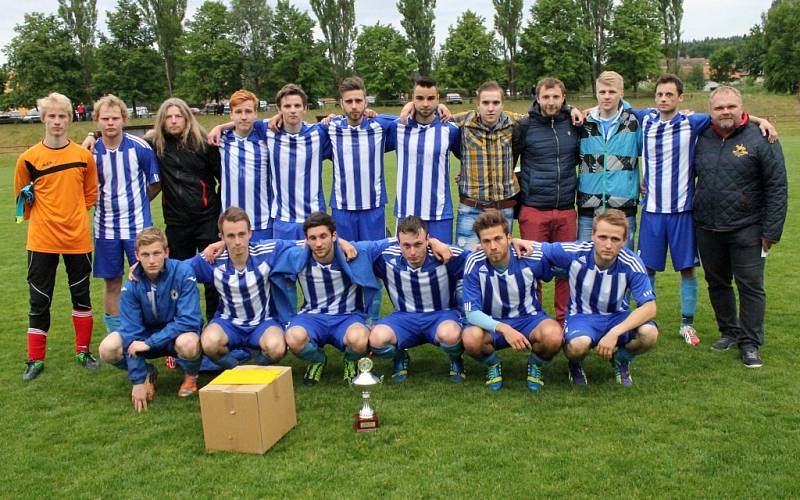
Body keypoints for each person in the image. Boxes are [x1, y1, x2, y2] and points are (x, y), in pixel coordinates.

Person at [632, 75, 777, 347]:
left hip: (683, 212)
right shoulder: (646, 119)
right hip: (651, 211)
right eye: (659, 94)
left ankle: (687, 324)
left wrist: (760, 120)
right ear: (655, 97)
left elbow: (729, 114)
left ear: (680, 98)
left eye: (669, 95)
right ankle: (645, 319)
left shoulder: (692, 122)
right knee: (646, 269)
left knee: (687, 269)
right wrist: (584, 110)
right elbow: (614, 103)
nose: (664, 99)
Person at [693, 86, 787, 368]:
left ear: (741, 107)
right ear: (711, 110)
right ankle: (729, 332)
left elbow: (777, 186)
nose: (725, 112)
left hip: (748, 227)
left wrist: (771, 231)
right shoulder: (701, 135)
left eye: (731, 107)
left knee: (751, 287)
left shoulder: (761, 137)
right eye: (719, 108)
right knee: (717, 283)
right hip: (707, 226)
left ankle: (750, 343)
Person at [14, 92, 99, 381]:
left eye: (62, 116)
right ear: (43, 119)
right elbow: (21, 201)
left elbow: (90, 193)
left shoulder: (83, 156)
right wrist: (36, 209)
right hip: (41, 240)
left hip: (78, 239)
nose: (57, 121)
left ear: (69, 119)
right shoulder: (28, 159)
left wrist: (74, 214)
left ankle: (84, 351)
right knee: (39, 301)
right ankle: (35, 359)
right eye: (52, 116)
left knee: (82, 296)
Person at [541, 209, 659, 386]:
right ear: (593, 235)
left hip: (617, 317)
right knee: (577, 346)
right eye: (603, 237)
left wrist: (615, 333)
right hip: (581, 316)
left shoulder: (632, 263)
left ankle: (621, 359)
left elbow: (650, 308)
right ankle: (575, 364)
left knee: (649, 334)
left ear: (624, 241)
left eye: (615, 239)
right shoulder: (576, 252)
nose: (608, 245)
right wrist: (517, 241)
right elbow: (539, 248)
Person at [97, 227, 203, 412]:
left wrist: (150, 343)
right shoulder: (131, 285)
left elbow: (189, 320)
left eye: (156, 253)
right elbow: (131, 332)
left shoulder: (183, 272)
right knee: (107, 349)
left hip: (175, 333)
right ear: (137, 255)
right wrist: (137, 381)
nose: (152, 260)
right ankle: (147, 373)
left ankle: (191, 374)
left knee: (189, 344)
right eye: (145, 255)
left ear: (166, 252)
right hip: (144, 335)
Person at [209, 84, 331, 241]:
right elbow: (244, 122)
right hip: (280, 220)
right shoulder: (229, 138)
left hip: (309, 217)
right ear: (279, 109)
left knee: (316, 263)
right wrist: (219, 127)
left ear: (305, 108)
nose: (292, 110)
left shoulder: (318, 133)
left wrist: (335, 116)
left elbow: (342, 124)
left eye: (297, 105)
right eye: (287, 106)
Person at [461, 210, 563, 392]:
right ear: (480, 243)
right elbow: (472, 313)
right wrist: (505, 329)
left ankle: (536, 364)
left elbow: (562, 267)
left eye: (498, 239)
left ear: (509, 238)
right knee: (470, 339)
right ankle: (493, 365)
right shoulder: (474, 263)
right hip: (493, 324)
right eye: (486, 241)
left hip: (529, 319)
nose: (493, 246)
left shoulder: (529, 256)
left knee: (554, 336)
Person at [190, 207, 298, 369]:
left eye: (241, 234)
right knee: (209, 344)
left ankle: (256, 369)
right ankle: (235, 368)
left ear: (250, 233)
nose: (237, 241)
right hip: (228, 322)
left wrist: (342, 243)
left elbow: (309, 243)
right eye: (230, 236)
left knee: (276, 349)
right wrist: (140, 268)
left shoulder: (267, 251)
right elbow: (177, 270)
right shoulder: (213, 258)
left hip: (264, 322)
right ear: (222, 237)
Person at [278, 212, 379, 385]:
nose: (318, 243)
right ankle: (317, 360)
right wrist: (221, 243)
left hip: (347, 317)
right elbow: (261, 245)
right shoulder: (298, 255)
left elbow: (391, 243)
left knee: (360, 339)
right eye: (313, 238)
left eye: (323, 236)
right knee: (293, 338)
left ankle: (350, 359)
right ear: (306, 240)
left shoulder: (354, 252)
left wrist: (432, 242)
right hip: (312, 316)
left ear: (334, 235)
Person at [90, 94, 160, 335]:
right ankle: (117, 335)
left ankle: (156, 333)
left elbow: (155, 183)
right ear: (97, 120)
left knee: (149, 280)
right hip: (105, 229)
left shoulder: (140, 148)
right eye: (105, 118)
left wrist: (137, 204)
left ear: (124, 119)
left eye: (115, 118)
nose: (110, 123)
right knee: (112, 283)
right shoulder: (90, 152)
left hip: (138, 228)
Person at [512, 77, 580, 324]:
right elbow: (507, 164)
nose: (551, 102)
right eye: (545, 97)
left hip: (565, 210)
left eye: (556, 97)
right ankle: (535, 321)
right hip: (533, 210)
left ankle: (564, 321)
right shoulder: (524, 126)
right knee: (532, 270)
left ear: (564, 98)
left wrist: (575, 111)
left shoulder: (575, 124)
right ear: (537, 98)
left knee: (566, 269)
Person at [369, 216, 469, 382]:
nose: (412, 252)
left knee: (450, 335)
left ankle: (456, 358)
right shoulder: (386, 258)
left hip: (442, 315)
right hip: (404, 317)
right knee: (376, 340)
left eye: (418, 244)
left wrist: (515, 242)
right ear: (398, 243)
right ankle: (400, 356)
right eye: (406, 246)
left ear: (428, 240)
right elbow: (355, 252)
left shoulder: (446, 254)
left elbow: (481, 260)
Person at [150, 97, 222, 321]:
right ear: (162, 121)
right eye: (168, 117)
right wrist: (93, 136)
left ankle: (215, 322)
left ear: (186, 118)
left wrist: (216, 207)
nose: (173, 121)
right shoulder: (156, 145)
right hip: (177, 223)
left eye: (177, 116)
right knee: (178, 276)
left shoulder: (204, 143)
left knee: (212, 275)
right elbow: (121, 138)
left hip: (206, 219)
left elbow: (223, 178)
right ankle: (185, 324)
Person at [388, 76, 461, 244]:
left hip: (439, 214)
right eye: (420, 98)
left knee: (441, 263)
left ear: (438, 99)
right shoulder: (398, 127)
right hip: (406, 213)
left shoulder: (450, 130)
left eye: (430, 98)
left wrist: (464, 171)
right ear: (412, 100)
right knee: (407, 264)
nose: (425, 104)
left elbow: (467, 155)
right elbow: (368, 120)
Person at [577, 71, 642, 250]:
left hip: (622, 208)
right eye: (602, 92)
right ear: (596, 93)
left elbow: (652, 153)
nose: (606, 97)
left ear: (621, 93)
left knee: (622, 266)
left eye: (612, 92)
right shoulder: (583, 123)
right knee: (586, 264)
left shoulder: (635, 123)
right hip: (589, 208)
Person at [218, 89, 273, 240]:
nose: (243, 117)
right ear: (231, 114)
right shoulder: (221, 140)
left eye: (248, 111)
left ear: (255, 113)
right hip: (230, 225)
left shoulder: (265, 137)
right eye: (238, 112)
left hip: (261, 222)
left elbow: (282, 118)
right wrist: (220, 128)